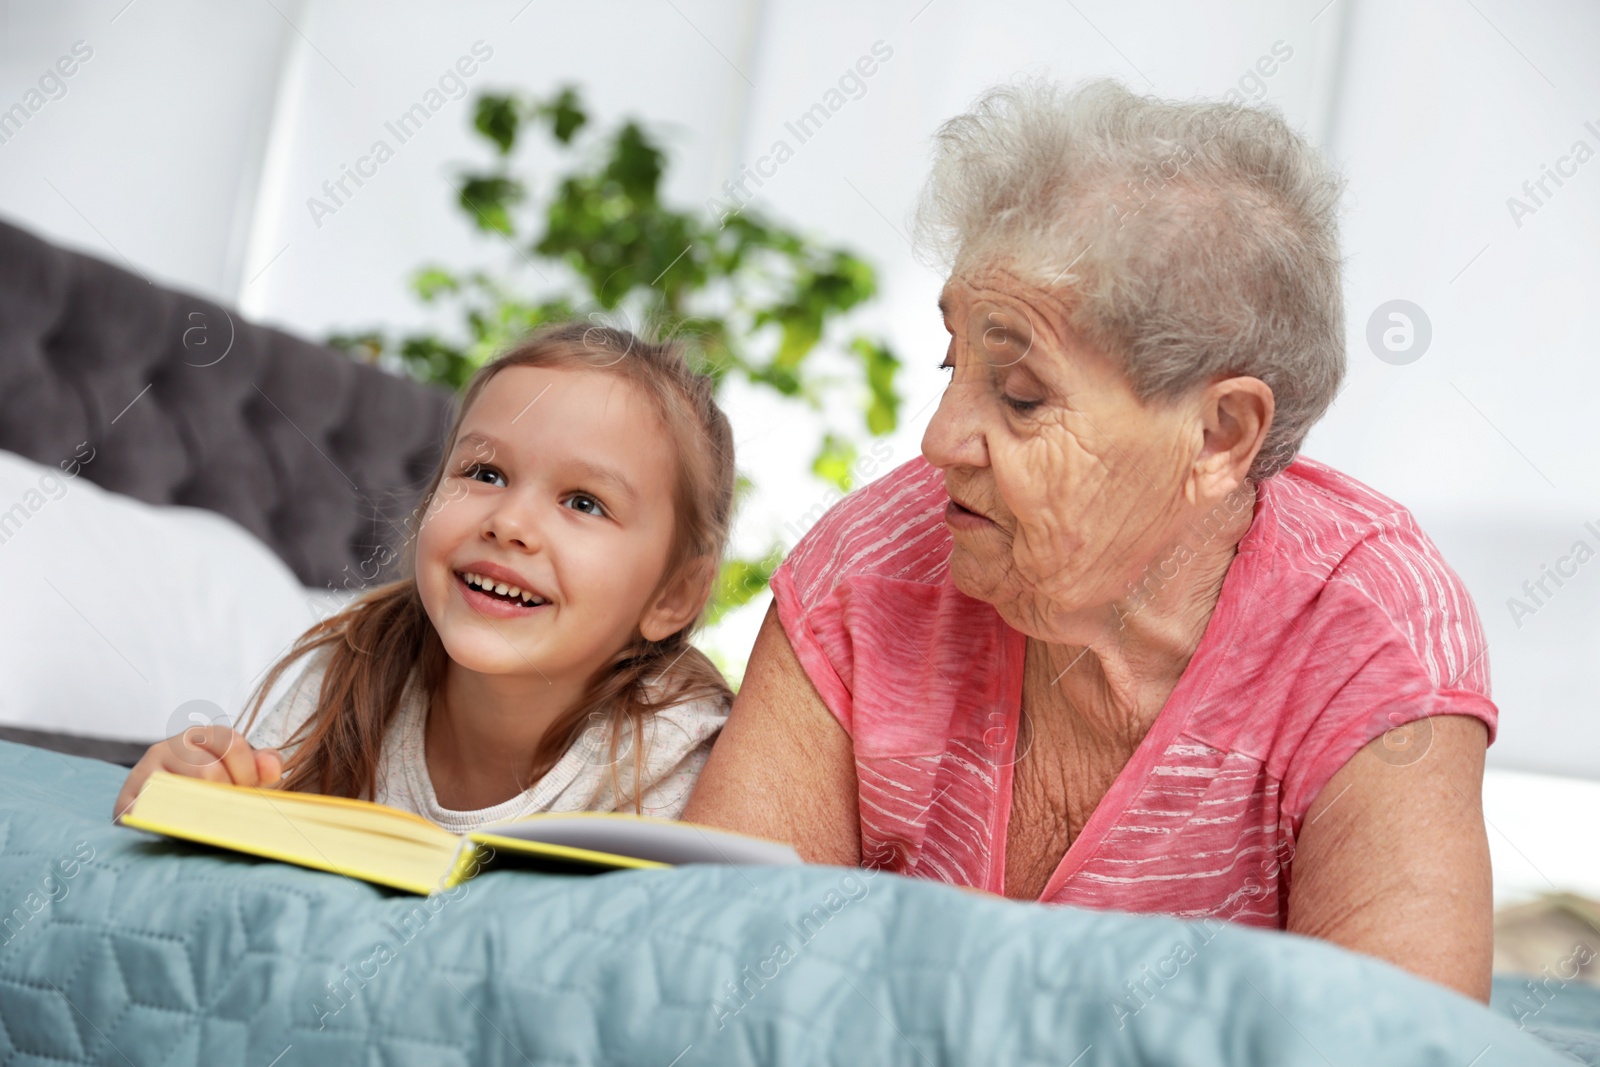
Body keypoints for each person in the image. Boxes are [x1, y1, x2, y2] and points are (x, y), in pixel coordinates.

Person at [684, 79, 1498, 1001]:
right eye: (954, 363)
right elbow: (715, 980)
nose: (938, 441)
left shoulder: (1370, 635)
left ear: (1220, 434)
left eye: (1022, 395)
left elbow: (1395, 1042)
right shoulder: (868, 570)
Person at [115, 322, 736, 830]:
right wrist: (180, 794)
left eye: (583, 502)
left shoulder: (671, 760)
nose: (509, 521)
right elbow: (228, 842)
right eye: (484, 474)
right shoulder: (353, 666)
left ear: (674, 594)